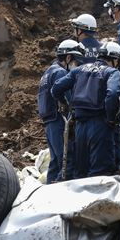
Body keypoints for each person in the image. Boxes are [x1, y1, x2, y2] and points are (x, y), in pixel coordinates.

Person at [51, 42, 120, 179]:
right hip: (100, 125)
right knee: (100, 172)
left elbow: (56, 88)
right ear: (115, 59)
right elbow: (112, 94)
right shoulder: (112, 72)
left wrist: (65, 104)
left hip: (80, 127)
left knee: (81, 172)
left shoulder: (79, 70)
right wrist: (111, 118)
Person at [37, 39, 85, 183]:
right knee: (66, 159)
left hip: (49, 121)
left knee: (55, 160)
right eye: (76, 61)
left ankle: (49, 189)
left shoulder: (48, 72)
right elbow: (69, 99)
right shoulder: (60, 73)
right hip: (59, 121)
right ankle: (60, 190)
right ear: (69, 57)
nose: (77, 65)